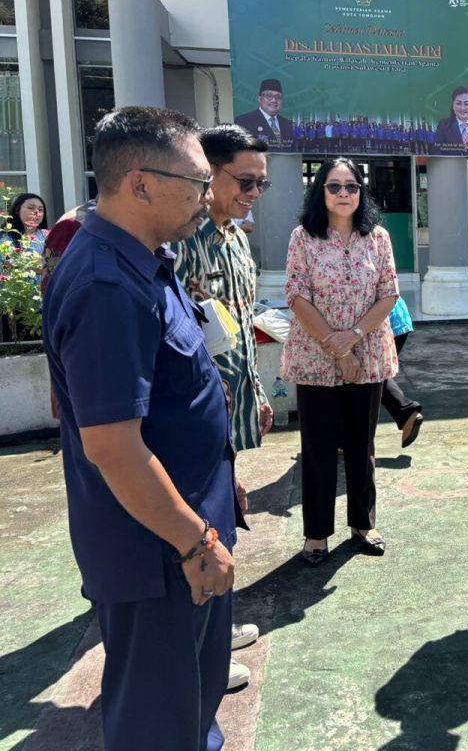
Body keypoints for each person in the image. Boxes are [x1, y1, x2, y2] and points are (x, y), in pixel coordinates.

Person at [41, 105, 237, 750]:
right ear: (141, 183)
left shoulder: (145, 260)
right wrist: (195, 544)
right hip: (156, 550)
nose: (208, 196)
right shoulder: (107, 286)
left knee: (191, 705)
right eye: (198, 181)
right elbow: (114, 448)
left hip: (181, 527)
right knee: (159, 721)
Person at [174, 125, 275, 691]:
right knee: (202, 533)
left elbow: (237, 320)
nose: (253, 193)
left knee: (225, 522)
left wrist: (257, 392)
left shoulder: (234, 237)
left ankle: (218, 623)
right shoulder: (183, 239)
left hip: (232, 408)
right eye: (244, 181)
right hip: (195, 413)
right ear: (206, 171)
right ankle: (203, 652)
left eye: (261, 183)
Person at [281, 158, 399, 565]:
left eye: (352, 186)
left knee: (361, 445)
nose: (345, 194)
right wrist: (337, 347)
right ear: (321, 192)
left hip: (367, 356)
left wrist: (354, 339)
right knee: (316, 448)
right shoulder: (304, 237)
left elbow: (389, 293)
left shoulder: (378, 237)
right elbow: (296, 294)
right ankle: (316, 534)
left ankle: (363, 524)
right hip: (315, 359)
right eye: (335, 187)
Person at [378, 294, 423, 447]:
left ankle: (407, 413)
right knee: (374, 376)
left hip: (384, 324)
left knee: (368, 377)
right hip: (395, 320)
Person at [234, 78, 295, 147]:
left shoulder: (289, 125)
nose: (274, 100)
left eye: (278, 97)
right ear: (259, 98)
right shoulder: (243, 122)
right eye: (269, 96)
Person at [432, 86, 468, 155]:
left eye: (466, 104)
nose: (462, 108)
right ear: (452, 105)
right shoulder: (443, 125)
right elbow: (435, 152)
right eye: (458, 103)